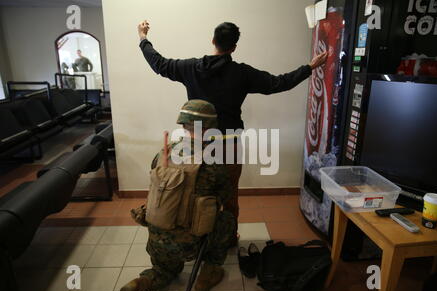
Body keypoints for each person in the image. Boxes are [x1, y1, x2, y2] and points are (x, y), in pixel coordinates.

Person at [137, 20, 328, 244]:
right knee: (228, 196)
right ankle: (227, 240)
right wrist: (310, 67)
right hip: (229, 145)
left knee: (195, 193)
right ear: (234, 47)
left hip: (196, 145)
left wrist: (143, 38)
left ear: (213, 41)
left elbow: (159, 64)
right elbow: (278, 83)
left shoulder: (190, 68)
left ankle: (198, 239)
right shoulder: (242, 73)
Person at [119, 100, 236, 291]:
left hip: (157, 240)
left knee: (164, 270)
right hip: (192, 243)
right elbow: (225, 196)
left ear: (183, 124)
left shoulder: (163, 152)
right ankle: (207, 275)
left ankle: (142, 282)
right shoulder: (214, 160)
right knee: (227, 219)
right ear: (208, 128)